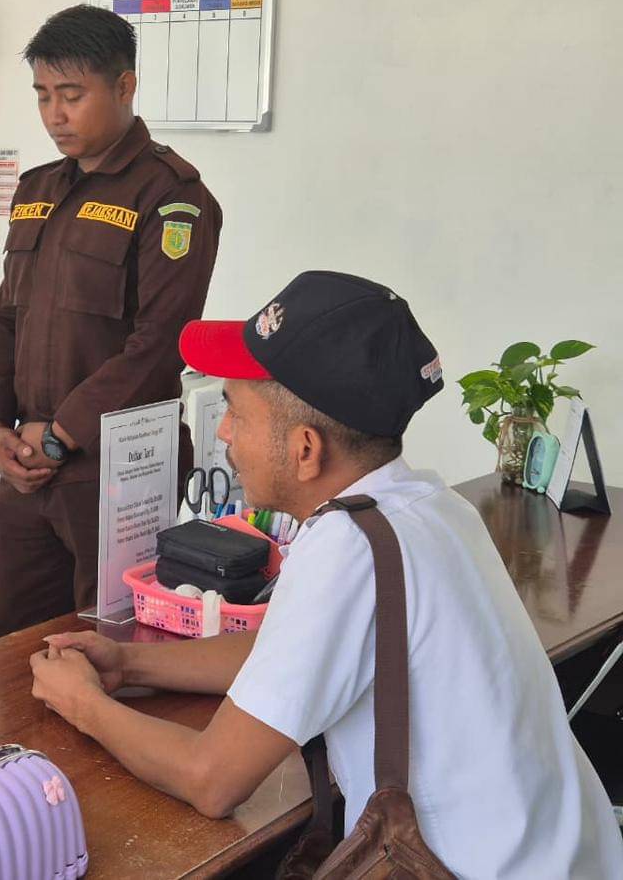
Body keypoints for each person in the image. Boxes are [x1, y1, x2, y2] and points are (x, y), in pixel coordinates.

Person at [30, 270, 623, 876]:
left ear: (306, 449)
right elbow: (288, 652)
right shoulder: (430, 505)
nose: (224, 432)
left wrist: (82, 704)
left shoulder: (347, 548)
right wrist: (127, 663)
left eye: (235, 412)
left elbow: (211, 780)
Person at [0, 5, 222, 640]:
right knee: (9, 649)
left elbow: (159, 346)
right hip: (28, 468)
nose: (55, 114)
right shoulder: (36, 189)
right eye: (43, 96)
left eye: (72, 95)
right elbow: (6, 316)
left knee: (114, 646)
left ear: (124, 87)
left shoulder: (172, 197)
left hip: (119, 473)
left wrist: (58, 437)